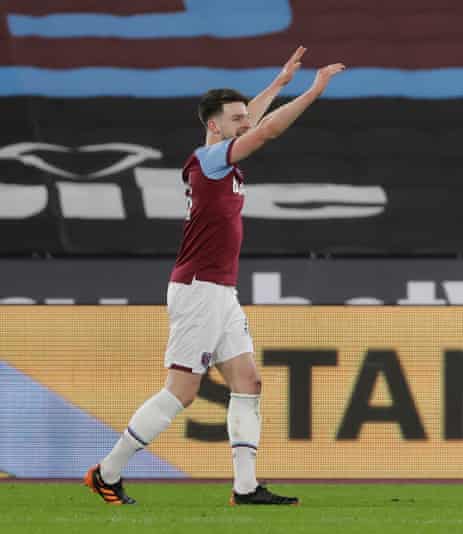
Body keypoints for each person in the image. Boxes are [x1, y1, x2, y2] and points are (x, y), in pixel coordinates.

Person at [83, 47, 346, 505]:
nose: (245, 122)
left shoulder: (217, 155)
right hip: (198, 289)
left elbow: (253, 122)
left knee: (248, 382)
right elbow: (265, 132)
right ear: (214, 126)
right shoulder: (211, 159)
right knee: (181, 392)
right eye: (235, 118)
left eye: (245, 116)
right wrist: (312, 92)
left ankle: (245, 488)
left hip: (219, 291)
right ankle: (107, 472)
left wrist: (280, 83)